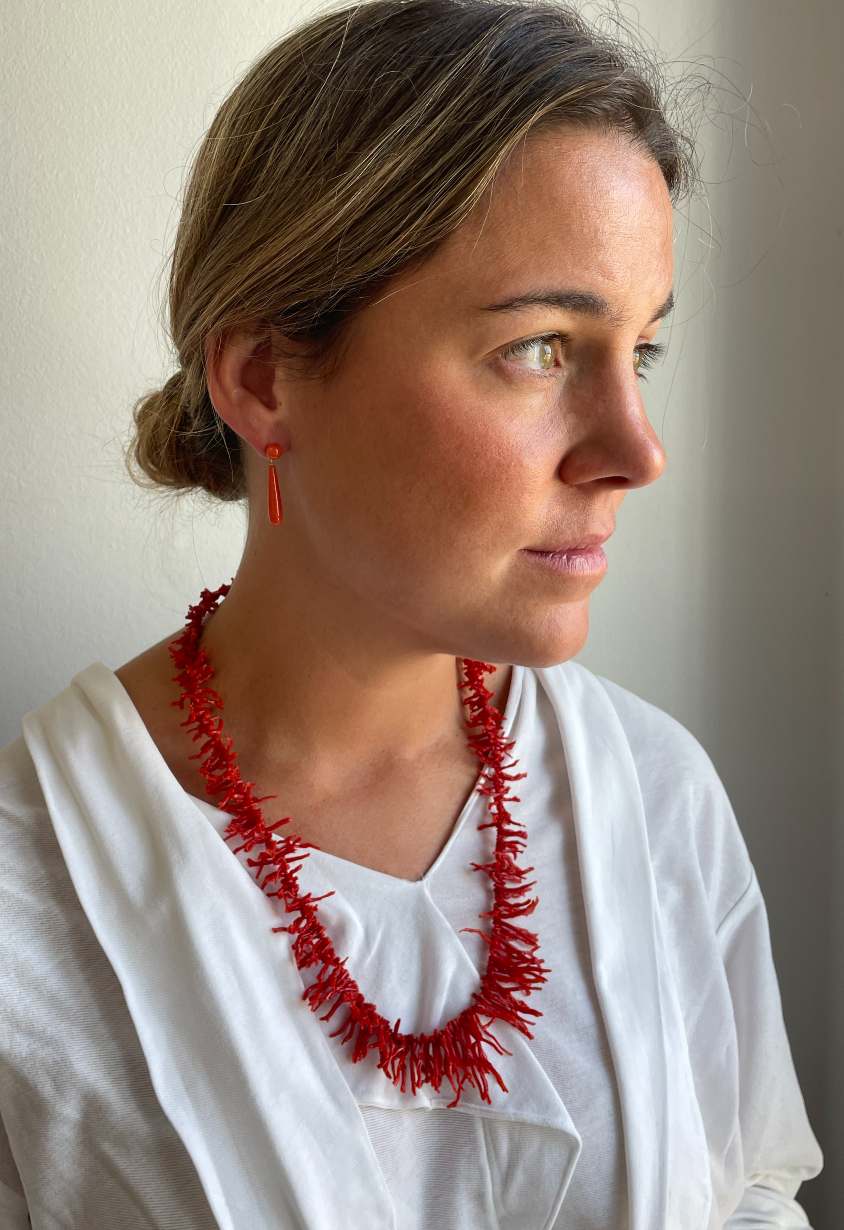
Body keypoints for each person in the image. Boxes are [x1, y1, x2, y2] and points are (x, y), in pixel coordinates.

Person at [0, 0, 824, 1226]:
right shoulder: (30, 901)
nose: (636, 452)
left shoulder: (653, 799)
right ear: (266, 377)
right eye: (541, 348)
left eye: (636, 352)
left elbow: (747, 1192)